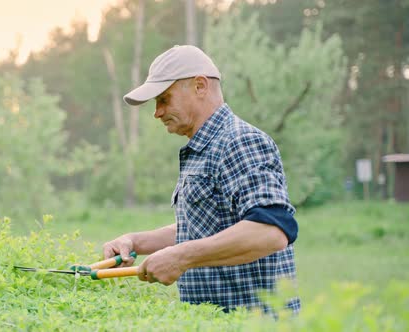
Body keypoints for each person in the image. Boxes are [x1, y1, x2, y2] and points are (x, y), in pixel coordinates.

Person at [102, 45, 300, 313]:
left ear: (200, 86)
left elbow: (271, 231)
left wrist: (181, 257)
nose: (157, 112)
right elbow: (205, 225)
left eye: (164, 99)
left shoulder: (239, 141)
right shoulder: (204, 148)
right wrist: (136, 242)